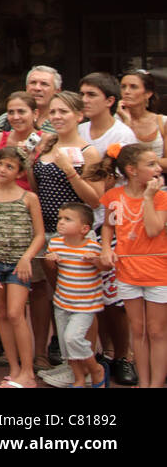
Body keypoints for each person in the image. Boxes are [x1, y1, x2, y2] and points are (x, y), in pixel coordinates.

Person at [30, 91, 102, 381]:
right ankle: (67, 363)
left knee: (82, 302)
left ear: (79, 116)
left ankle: (89, 364)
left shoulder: (89, 152)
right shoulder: (47, 145)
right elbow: (37, 187)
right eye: (54, 112)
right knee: (56, 300)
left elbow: (95, 199)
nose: (57, 117)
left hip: (77, 237)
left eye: (64, 112)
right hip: (47, 233)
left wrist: (69, 170)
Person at [100, 142, 167, 389]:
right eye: (150, 164)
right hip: (127, 272)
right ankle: (144, 381)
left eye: (156, 163)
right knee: (137, 330)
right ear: (131, 170)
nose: (157, 168)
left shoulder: (161, 197)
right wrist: (106, 247)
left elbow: (153, 229)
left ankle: (157, 384)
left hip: (159, 272)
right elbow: (107, 225)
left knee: (157, 331)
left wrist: (149, 197)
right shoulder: (113, 197)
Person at [0, 146, 45, 388]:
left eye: (9, 166)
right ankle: (15, 368)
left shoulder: (29, 198)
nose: (2, 169)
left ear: (19, 173)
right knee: (3, 315)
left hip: (19, 266)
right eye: (0, 164)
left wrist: (26, 258)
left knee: (16, 313)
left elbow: (39, 235)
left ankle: (28, 371)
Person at [82, 146, 137, 386]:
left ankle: (123, 356)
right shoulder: (107, 185)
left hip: (124, 244)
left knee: (119, 305)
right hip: (94, 238)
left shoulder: (134, 190)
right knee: (101, 303)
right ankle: (107, 353)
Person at [46, 202, 107, 388]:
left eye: (67, 219)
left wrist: (96, 261)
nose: (61, 223)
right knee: (66, 344)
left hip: (85, 305)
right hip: (62, 302)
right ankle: (78, 378)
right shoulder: (55, 243)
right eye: (60, 219)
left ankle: (96, 370)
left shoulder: (93, 246)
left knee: (73, 338)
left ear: (84, 228)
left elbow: (106, 267)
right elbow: (52, 268)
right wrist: (51, 261)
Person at [0, 91, 44, 191]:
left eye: (21, 112)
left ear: (35, 114)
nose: (16, 117)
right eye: (11, 112)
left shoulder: (46, 140)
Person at [78, 72, 137, 159]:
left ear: (109, 101)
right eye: (82, 94)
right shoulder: (78, 130)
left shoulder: (123, 135)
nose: (84, 100)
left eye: (91, 95)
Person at [0, 66, 61, 136]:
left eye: (44, 84)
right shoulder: (5, 120)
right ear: (26, 87)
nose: (37, 88)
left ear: (57, 91)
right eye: (33, 83)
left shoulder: (63, 121)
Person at [119, 71, 166, 155]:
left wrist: (144, 161)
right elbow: (117, 156)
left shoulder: (163, 122)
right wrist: (126, 123)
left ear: (148, 94)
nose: (126, 91)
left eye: (133, 87)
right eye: (123, 87)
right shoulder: (115, 121)